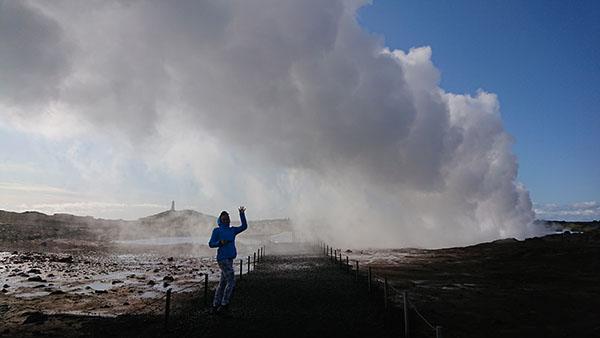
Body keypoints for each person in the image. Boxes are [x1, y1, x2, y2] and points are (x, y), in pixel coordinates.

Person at [208, 206, 247, 315]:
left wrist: (242, 214)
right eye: (224, 219)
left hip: (229, 259)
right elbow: (211, 244)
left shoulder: (232, 230)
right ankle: (224, 305)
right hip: (222, 259)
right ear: (220, 220)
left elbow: (244, 226)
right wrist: (220, 243)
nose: (226, 220)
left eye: (227, 218)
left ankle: (216, 305)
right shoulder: (217, 231)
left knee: (222, 283)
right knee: (231, 281)